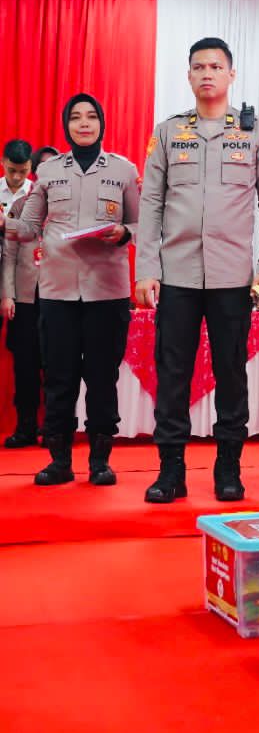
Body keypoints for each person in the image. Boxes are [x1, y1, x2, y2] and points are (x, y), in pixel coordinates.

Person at [134, 37, 259, 504]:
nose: (207, 74)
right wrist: (146, 267)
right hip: (177, 275)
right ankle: (171, 471)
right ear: (188, 75)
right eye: (199, 67)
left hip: (232, 278)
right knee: (172, 374)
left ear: (231, 75)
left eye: (216, 67)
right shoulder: (168, 132)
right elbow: (151, 203)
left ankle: (228, 468)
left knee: (231, 374)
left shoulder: (255, 133)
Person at [10, 97, 138, 487]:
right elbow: (29, 227)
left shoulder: (123, 170)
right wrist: (6, 222)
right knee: (59, 378)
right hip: (57, 292)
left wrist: (124, 232)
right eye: (76, 118)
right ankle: (59, 460)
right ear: (66, 125)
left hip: (107, 293)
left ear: (102, 123)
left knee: (102, 378)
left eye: (91, 117)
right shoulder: (48, 171)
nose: (84, 123)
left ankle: (100, 461)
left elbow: (143, 224)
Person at [1, 139, 39, 448]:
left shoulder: (38, 196)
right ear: (3, 163)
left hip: (46, 291)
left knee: (51, 363)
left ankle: (52, 428)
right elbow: (10, 256)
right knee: (23, 360)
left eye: (23, 171)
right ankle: (25, 425)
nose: (17, 177)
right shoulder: (13, 202)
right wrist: (8, 295)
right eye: (11, 170)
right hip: (16, 290)